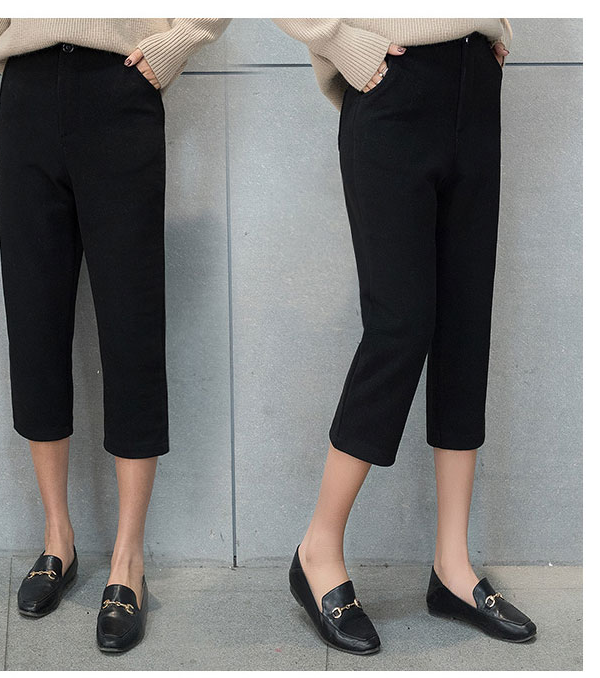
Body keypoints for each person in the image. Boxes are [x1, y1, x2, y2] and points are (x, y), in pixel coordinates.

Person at [0, 17, 230, 654]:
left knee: (131, 327)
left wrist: (179, 39)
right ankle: (57, 541)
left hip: (120, 88)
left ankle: (128, 560)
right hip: (28, 98)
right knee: (34, 321)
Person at [271, 18, 536, 654]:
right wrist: (340, 40)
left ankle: (452, 567)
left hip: (474, 82)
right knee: (400, 325)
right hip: (393, 86)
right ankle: (318, 549)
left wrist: (494, 26)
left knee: (465, 326)